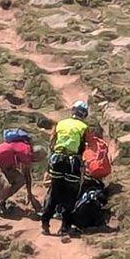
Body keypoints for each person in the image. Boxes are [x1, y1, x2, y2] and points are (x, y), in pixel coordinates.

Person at [41, 101, 90, 237]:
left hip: (57, 160)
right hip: (72, 162)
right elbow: (84, 147)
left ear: (73, 111)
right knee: (70, 194)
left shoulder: (61, 124)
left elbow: (52, 142)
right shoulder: (84, 127)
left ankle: (45, 224)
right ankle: (65, 227)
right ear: (84, 114)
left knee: (55, 192)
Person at [0, 135, 46, 218]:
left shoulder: (26, 148)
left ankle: (1, 202)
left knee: (20, 180)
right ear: (36, 155)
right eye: (39, 159)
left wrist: (29, 194)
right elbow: (27, 175)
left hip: (5, 164)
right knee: (6, 186)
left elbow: (25, 177)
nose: (37, 162)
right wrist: (29, 194)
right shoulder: (25, 153)